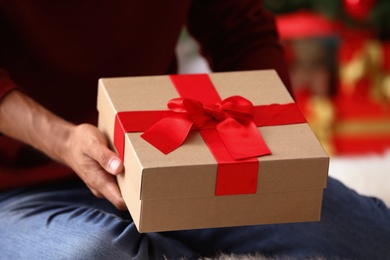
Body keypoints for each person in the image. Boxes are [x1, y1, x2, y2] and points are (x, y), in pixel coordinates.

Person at [0, 1, 389, 259]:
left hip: (170, 166)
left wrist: (271, 132)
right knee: (96, 252)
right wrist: (65, 141)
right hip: (23, 187)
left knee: (370, 234)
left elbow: (238, 25)